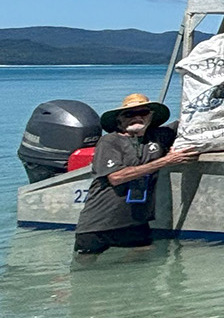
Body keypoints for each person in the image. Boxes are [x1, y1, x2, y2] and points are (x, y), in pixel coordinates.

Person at [75, 93, 194, 255]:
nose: (137, 117)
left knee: (144, 266)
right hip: (99, 223)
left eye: (143, 113)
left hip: (136, 223)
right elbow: (116, 177)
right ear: (119, 120)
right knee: (84, 272)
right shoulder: (110, 141)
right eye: (129, 114)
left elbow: (192, 122)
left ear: (151, 116)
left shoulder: (159, 136)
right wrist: (166, 161)